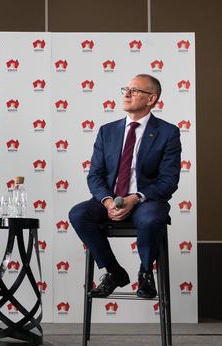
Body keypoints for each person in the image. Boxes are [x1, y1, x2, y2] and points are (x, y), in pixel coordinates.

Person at [69, 74, 181, 299]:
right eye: (126, 89)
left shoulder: (168, 132)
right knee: (79, 214)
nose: (127, 94)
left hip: (145, 201)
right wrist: (108, 201)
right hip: (111, 198)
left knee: (150, 218)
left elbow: (168, 181)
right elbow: (95, 175)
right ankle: (114, 271)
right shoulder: (107, 131)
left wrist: (135, 198)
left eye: (135, 90)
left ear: (151, 99)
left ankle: (146, 273)